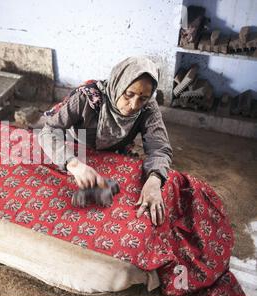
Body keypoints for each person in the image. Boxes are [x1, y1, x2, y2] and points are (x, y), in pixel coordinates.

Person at [38, 56, 173, 227]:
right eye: (128, 94)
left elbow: (159, 148)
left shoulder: (148, 107)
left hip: (117, 150)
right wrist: (73, 164)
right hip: (79, 147)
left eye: (142, 98)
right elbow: (49, 131)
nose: (133, 104)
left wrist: (154, 179)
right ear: (119, 84)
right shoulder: (86, 97)